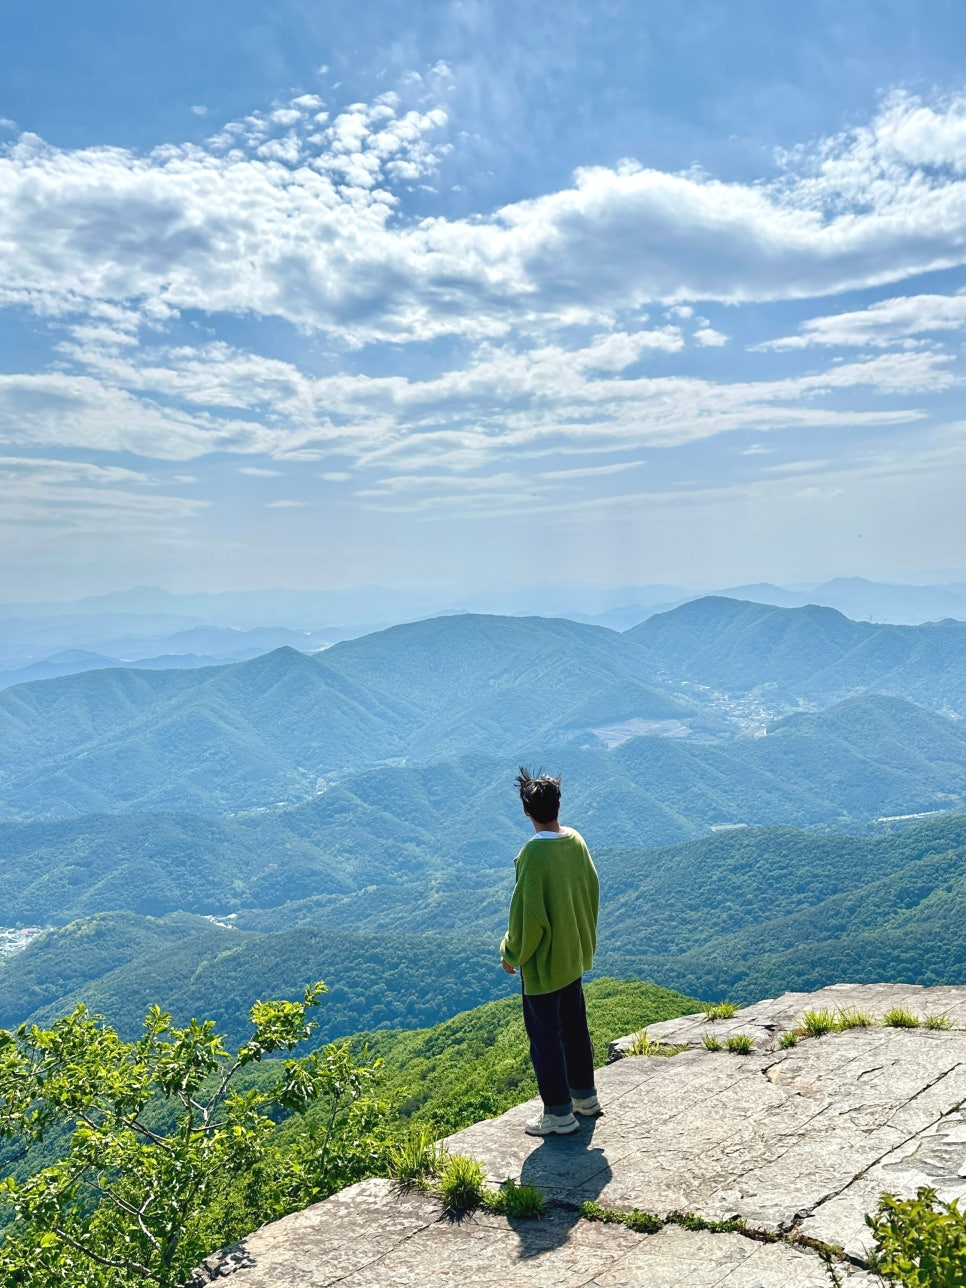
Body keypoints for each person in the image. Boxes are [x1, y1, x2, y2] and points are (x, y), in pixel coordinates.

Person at [500, 766, 601, 1136]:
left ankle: (558, 1115)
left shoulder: (532, 855)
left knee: (545, 1039)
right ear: (559, 804)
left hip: (543, 965)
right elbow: (591, 889)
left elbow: (528, 916)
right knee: (575, 1029)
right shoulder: (575, 841)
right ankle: (584, 1098)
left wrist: (511, 954)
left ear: (527, 812)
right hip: (573, 954)